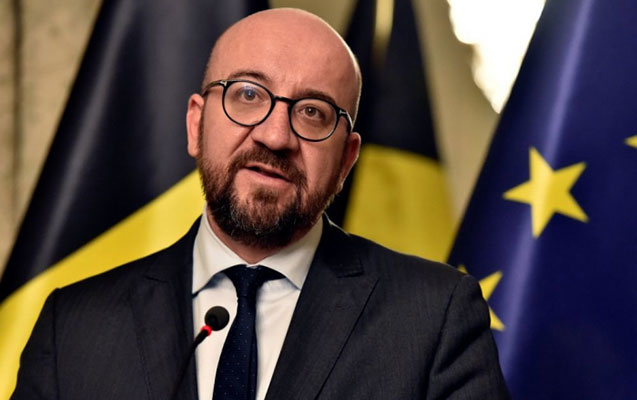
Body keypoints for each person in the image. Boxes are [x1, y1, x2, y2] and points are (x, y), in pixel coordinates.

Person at [12, 8, 509, 400]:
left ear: (346, 160)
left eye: (312, 112)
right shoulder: (73, 327)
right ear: (196, 125)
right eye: (248, 95)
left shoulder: (434, 317)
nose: (274, 136)